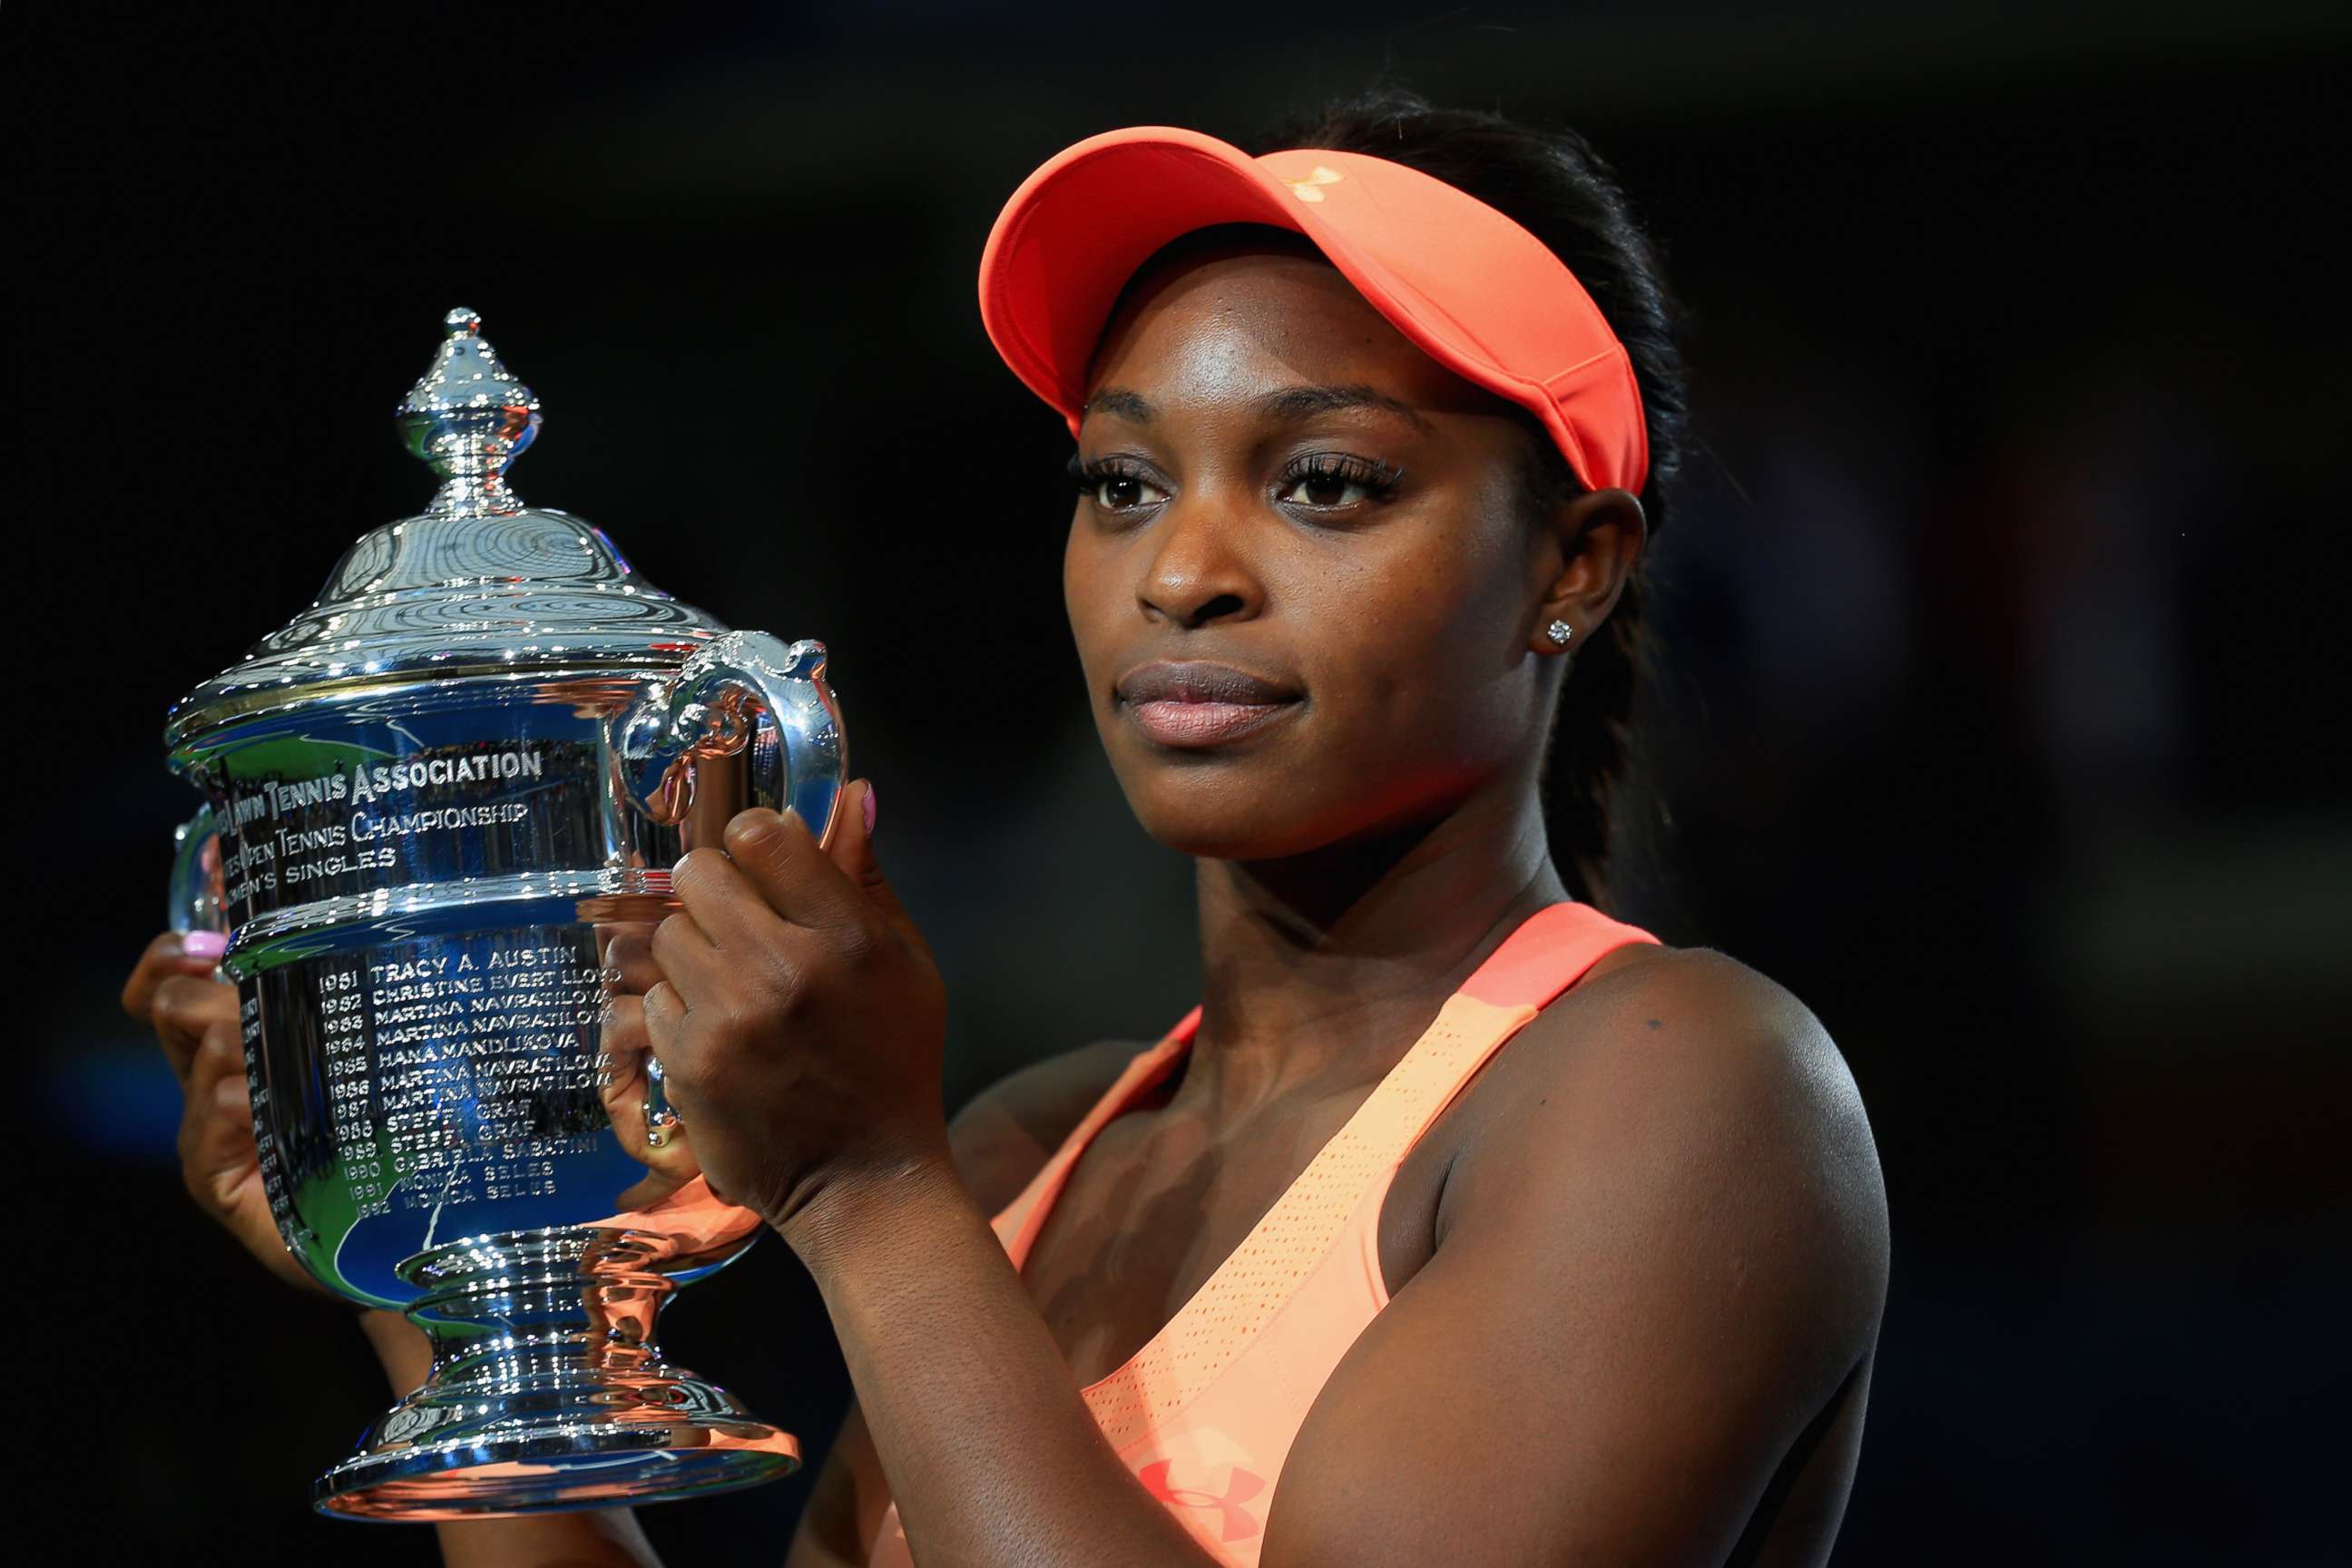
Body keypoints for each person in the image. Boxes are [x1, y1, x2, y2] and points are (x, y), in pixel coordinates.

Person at [124, 87, 1887, 1567]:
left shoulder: (1687, 1085)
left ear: (1569, 568)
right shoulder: (1032, 1156)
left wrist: (865, 1187)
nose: (1182, 574)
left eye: (1325, 482)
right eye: (1122, 485)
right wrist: (449, 1262)